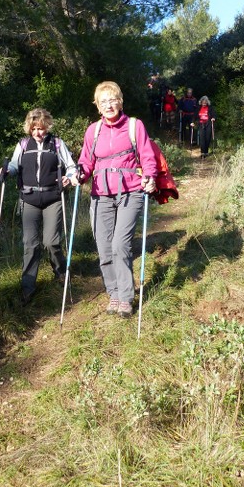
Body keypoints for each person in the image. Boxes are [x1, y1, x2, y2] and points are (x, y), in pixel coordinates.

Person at [73, 82, 157, 319]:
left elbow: (147, 156)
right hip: (100, 195)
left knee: (120, 244)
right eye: (103, 102)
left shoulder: (134, 126)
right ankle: (114, 293)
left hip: (130, 191)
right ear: (98, 106)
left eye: (113, 100)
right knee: (104, 247)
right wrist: (79, 174)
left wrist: (149, 177)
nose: (109, 105)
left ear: (120, 102)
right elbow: (86, 162)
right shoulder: (93, 131)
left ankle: (126, 297)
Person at [0, 108, 76, 303]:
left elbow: (72, 167)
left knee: (51, 242)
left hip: (53, 198)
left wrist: (68, 178)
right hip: (29, 198)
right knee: (30, 243)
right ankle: (28, 286)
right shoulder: (24, 144)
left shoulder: (57, 144)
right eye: (33, 129)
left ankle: (60, 272)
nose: (37, 133)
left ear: (47, 126)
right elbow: (15, 166)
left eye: (40, 129)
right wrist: (6, 170)